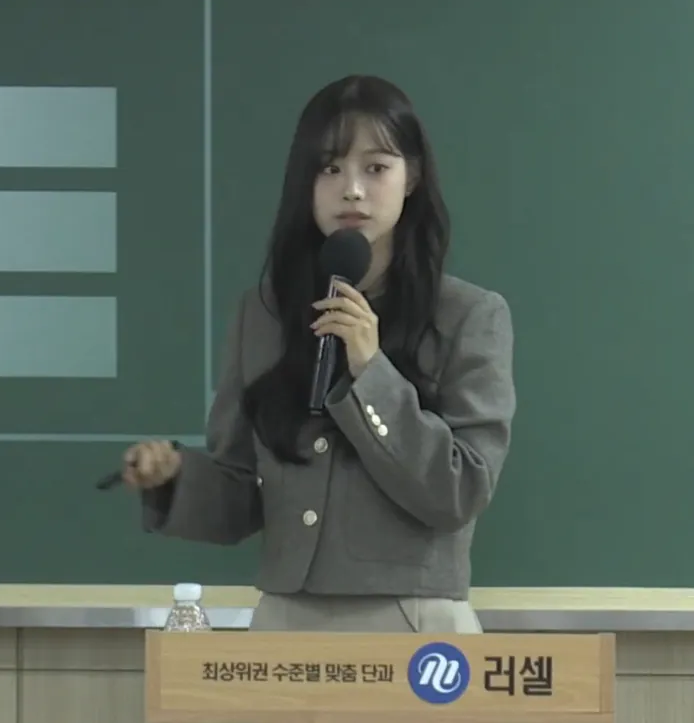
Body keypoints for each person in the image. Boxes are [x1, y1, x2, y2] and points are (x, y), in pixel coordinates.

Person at [121, 75, 516, 634]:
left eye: (375, 168)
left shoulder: (468, 315)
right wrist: (175, 478)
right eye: (329, 169)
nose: (351, 190)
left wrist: (371, 372)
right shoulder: (264, 314)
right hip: (286, 619)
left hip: (417, 622)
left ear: (411, 178)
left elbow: (460, 491)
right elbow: (243, 495)